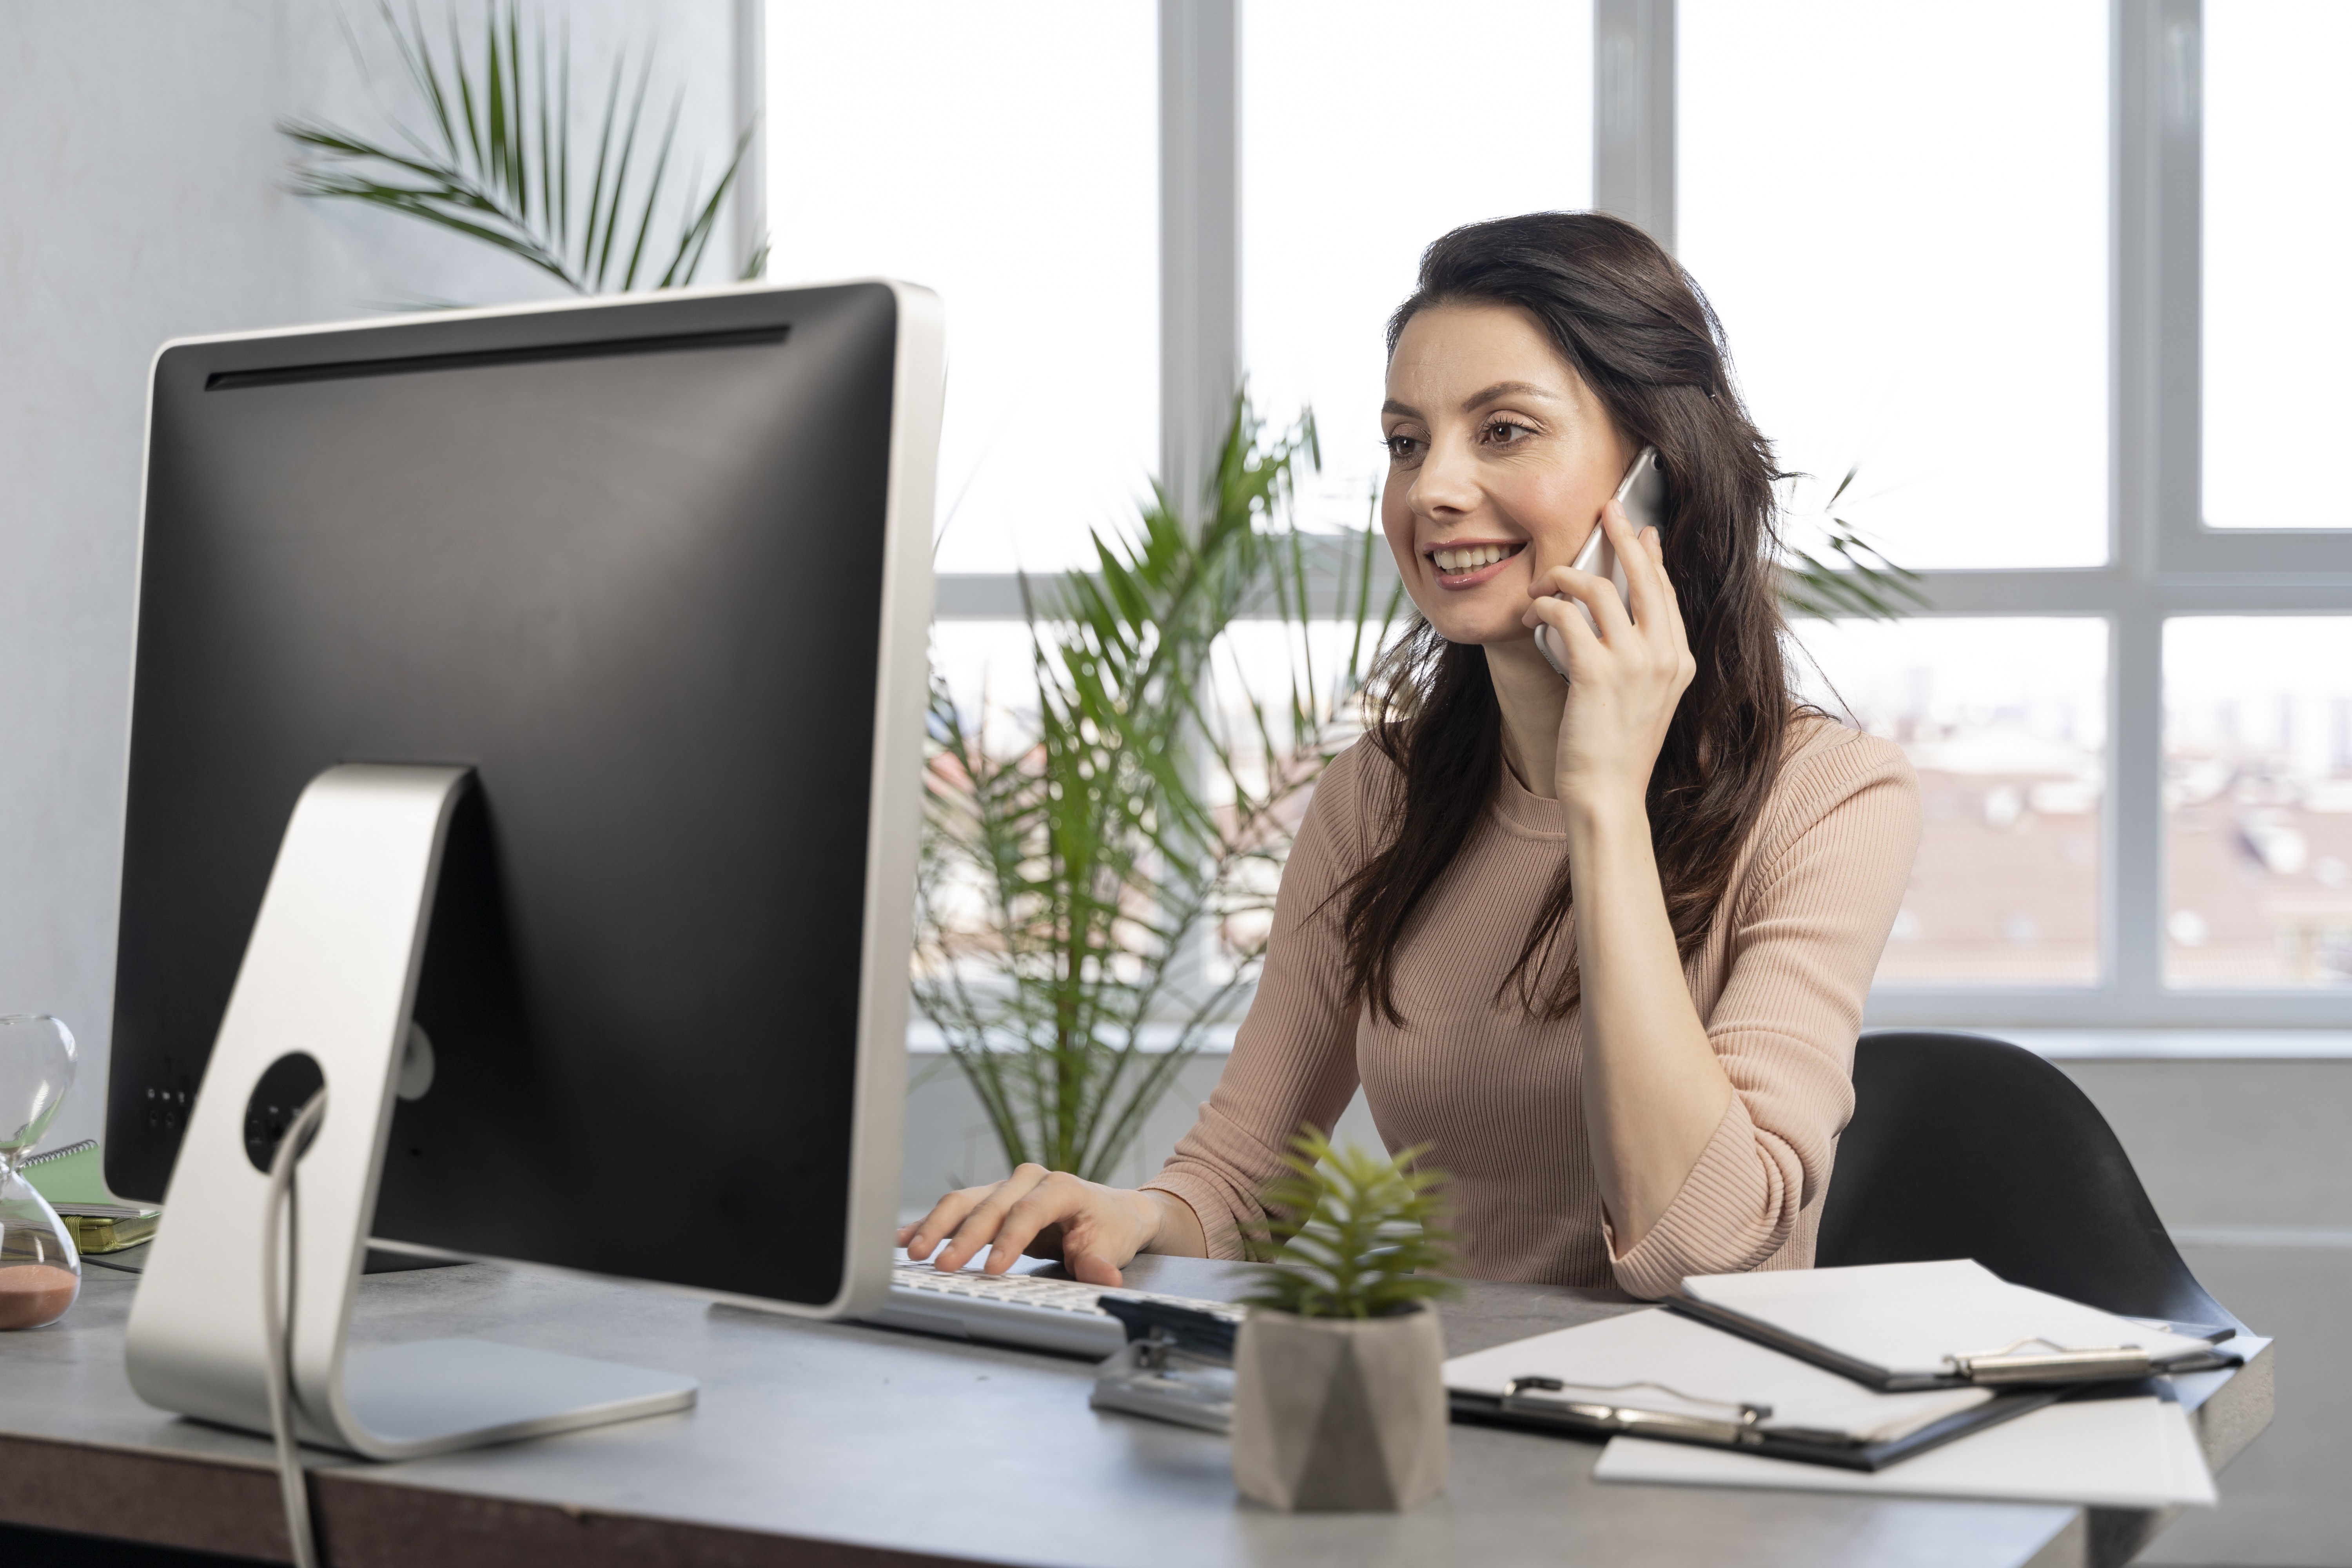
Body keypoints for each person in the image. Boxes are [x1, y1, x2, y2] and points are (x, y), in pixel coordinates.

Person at [900, 212, 1920, 1299]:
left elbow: (1707, 1252)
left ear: (1656, 478)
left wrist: (1604, 805)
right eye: (1404, 442)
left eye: (1504, 432)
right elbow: (1248, 1182)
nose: (1431, 489)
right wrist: (1133, 1211)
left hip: (1688, 1438)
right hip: (1435, 1425)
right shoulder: (1377, 796)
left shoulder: (1832, 798)